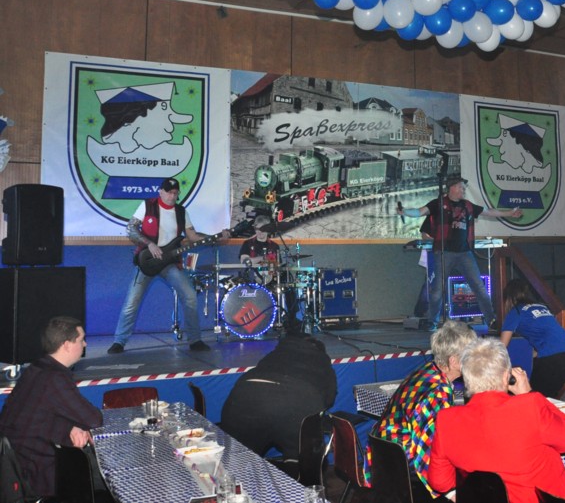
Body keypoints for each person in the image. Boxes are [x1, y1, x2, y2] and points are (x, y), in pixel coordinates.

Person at [427, 338, 565, 503]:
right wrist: (529, 393)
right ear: (507, 376)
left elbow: (439, 482)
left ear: (466, 379)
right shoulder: (530, 406)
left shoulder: (446, 420)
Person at [108, 177, 229, 354]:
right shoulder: (147, 205)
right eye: (168, 192)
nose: (172, 196)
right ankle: (119, 341)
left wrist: (216, 237)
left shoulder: (181, 211)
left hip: (169, 262)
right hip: (147, 261)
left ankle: (195, 340)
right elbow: (131, 229)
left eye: (175, 193)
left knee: (190, 296)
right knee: (131, 302)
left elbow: (193, 236)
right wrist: (149, 243)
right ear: (161, 192)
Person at [363, 320, 477, 499]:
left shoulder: (427, 370)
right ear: (454, 361)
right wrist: (451, 494)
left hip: (383, 460)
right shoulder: (437, 393)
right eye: (471, 355)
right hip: (405, 472)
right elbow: (427, 452)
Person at [398, 176, 522, 331]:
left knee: (479, 287)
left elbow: (488, 212)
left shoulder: (467, 205)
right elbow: (419, 212)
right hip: (444, 252)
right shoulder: (438, 203)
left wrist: (509, 213)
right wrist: (404, 211)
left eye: (464, 188)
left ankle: (491, 319)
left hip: (464, 253)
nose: (463, 190)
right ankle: (433, 321)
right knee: (437, 290)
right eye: (461, 187)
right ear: (452, 187)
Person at [0, 317, 103, 498]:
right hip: (42, 472)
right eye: (81, 339)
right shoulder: (55, 378)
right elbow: (94, 419)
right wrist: (75, 427)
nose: (85, 344)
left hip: (23, 463)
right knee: (111, 475)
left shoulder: (37, 369)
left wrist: (69, 427)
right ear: (67, 345)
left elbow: (33, 418)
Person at [219, 333, 337, 459]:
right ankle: (296, 467)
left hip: (245, 394)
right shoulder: (321, 359)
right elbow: (329, 398)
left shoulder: (273, 354)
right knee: (303, 461)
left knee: (239, 459)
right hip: (297, 401)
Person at [499, 278, 565, 398]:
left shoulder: (516, 311)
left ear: (509, 298)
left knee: (533, 397)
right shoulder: (542, 307)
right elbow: (547, 338)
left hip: (553, 358)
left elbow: (501, 347)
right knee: (545, 396)